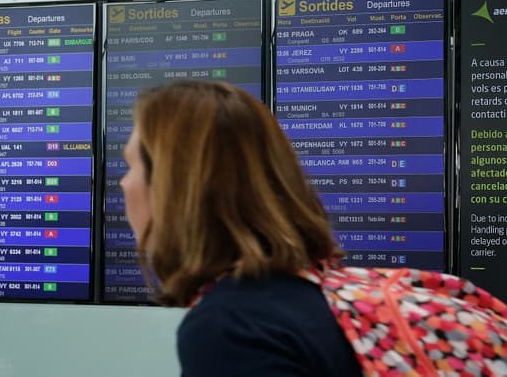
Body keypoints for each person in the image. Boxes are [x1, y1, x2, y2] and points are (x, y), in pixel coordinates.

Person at [120, 80, 363, 377]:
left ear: (174, 187)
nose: (124, 183)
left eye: (130, 165)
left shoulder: (232, 328)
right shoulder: (317, 298)